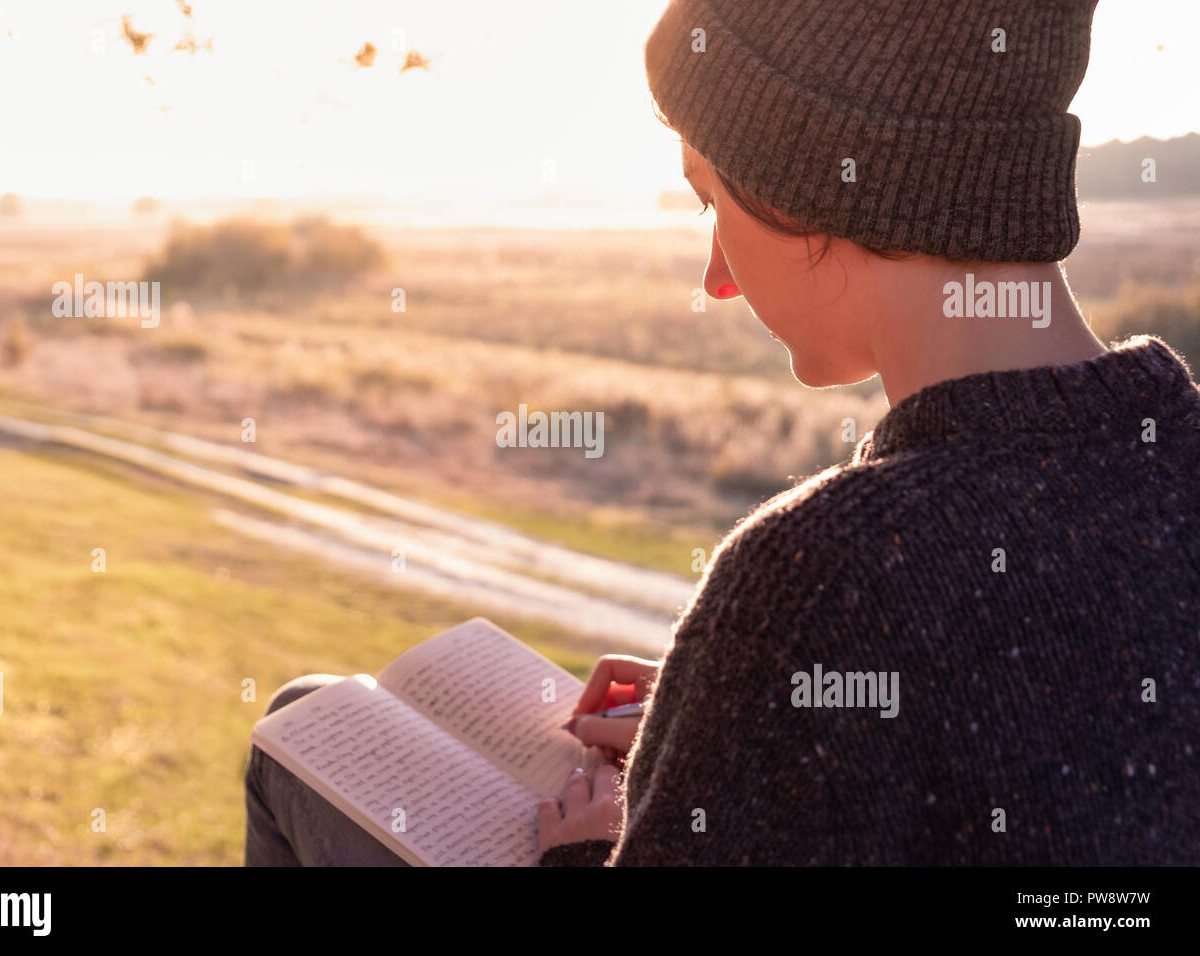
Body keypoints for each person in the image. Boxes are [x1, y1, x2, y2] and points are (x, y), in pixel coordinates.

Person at [246, 0, 1200, 866]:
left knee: (293, 734)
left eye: (714, 202)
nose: (716, 278)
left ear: (807, 191)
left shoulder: (827, 576)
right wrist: (742, 728)